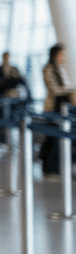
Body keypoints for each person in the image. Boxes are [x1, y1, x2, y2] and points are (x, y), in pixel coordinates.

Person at [39, 44, 73, 178]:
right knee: (51, 138)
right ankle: (48, 168)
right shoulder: (48, 69)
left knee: (56, 138)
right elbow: (55, 90)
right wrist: (71, 92)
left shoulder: (60, 69)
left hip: (63, 108)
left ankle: (55, 167)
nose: (63, 57)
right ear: (55, 55)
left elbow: (66, 87)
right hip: (52, 107)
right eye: (61, 54)